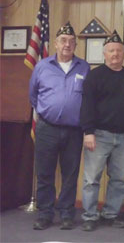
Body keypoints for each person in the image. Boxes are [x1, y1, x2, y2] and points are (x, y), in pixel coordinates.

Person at [29, 22, 90, 230]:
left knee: (70, 174)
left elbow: (88, 99)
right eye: (63, 41)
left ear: (75, 45)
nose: (67, 44)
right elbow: (33, 96)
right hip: (47, 128)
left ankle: (66, 214)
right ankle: (45, 214)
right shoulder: (42, 66)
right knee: (45, 173)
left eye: (72, 42)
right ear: (55, 44)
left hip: (74, 130)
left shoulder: (84, 67)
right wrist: (49, 112)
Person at [79, 30, 124, 231]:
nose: (115, 54)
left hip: (122, 136)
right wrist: (88, 132)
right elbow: (86, 105)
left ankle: (111, 214)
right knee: (91, 179)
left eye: (119, 51)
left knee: (119, 179)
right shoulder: (94, 76)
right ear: (104, 54)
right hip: (98, 134)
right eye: (111, 51)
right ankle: (89, 216)